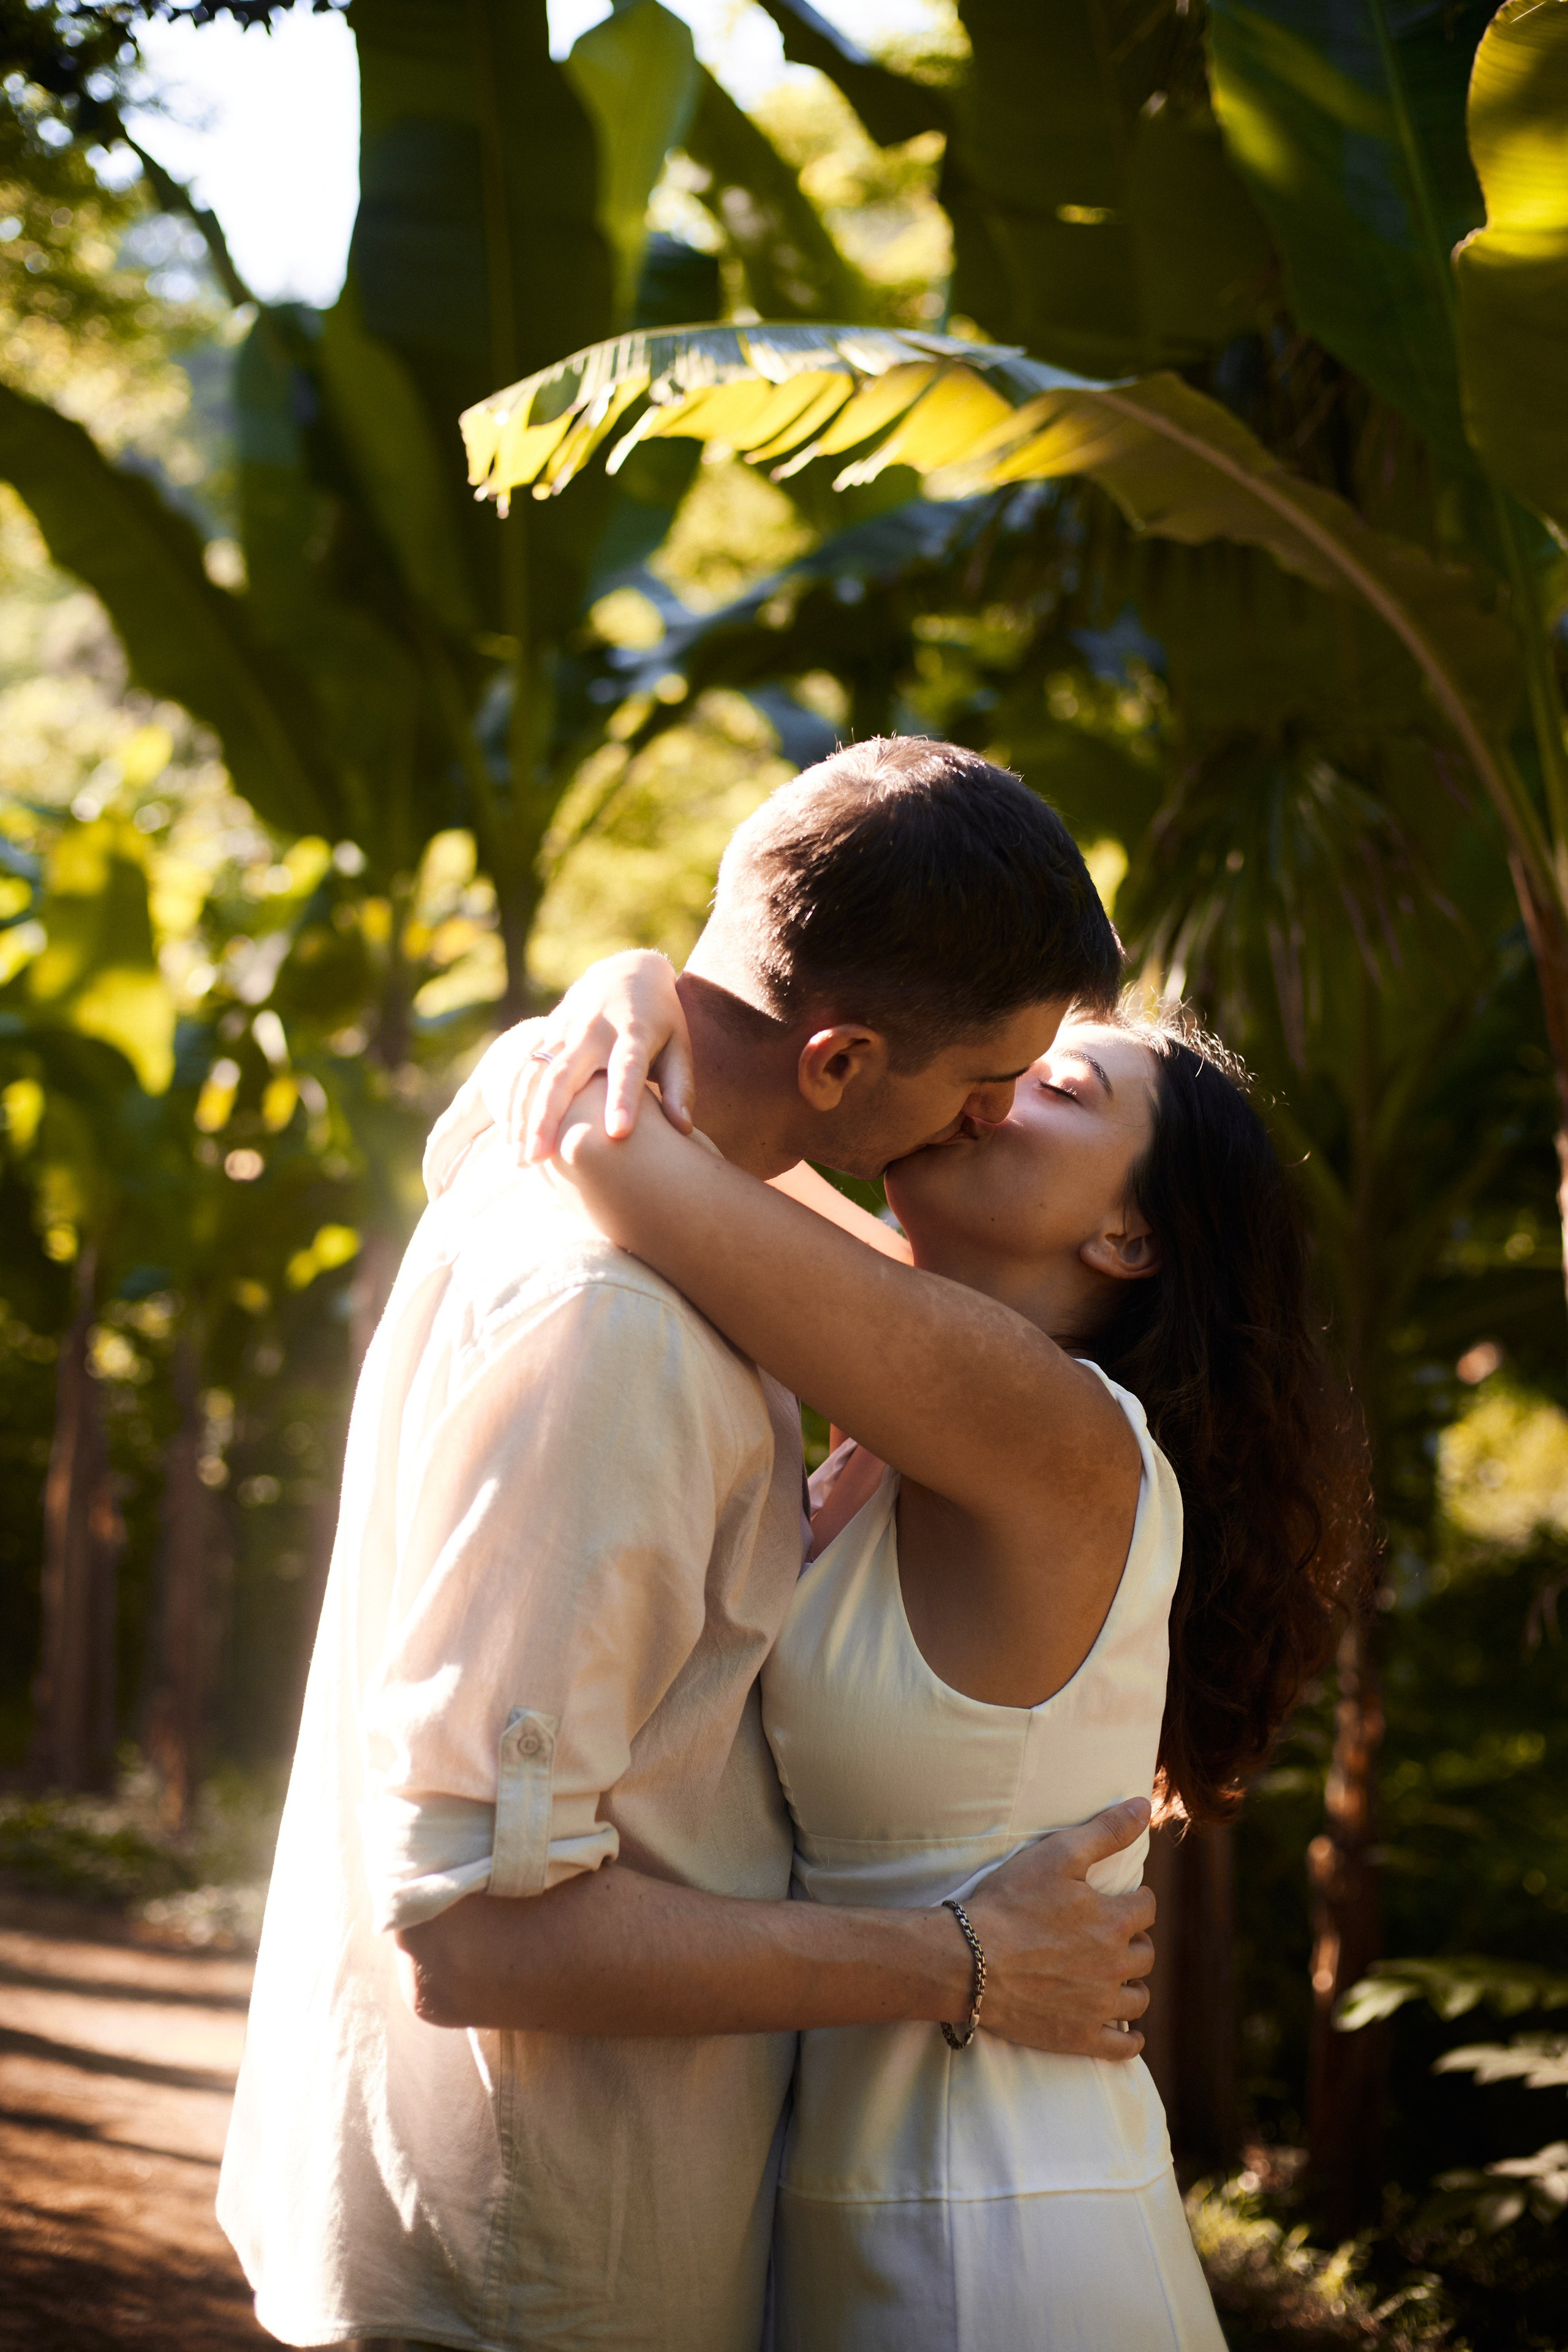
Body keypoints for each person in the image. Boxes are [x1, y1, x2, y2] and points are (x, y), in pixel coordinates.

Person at [217, 738, 1159, 2352]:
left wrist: (628, 985)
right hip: (540, 2262)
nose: (990, 1114)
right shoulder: (621, 1331)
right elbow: (476, 1928)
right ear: (839, 1059)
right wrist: (958, 1960)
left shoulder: (551, 1149)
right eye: (983, 1077)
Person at [431, 941, 1368, 2350]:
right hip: (862, 2188)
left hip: (994, 2226)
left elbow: (611, 1137)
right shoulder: (916, 1369)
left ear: (1126, 1237)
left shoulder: (1048, 1427)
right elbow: (657, 1106)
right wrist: (636, 979)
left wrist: (632, 1002)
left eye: (1052, 1086)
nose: (989, 1096)